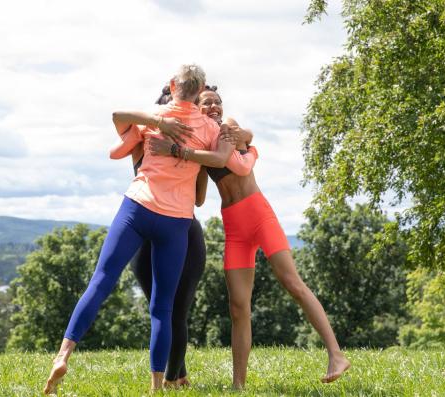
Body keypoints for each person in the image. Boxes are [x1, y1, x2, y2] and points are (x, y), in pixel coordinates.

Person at [43, 64, 235, 394]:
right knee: (162, 308)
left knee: (101, 281)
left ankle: (63, 355)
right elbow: (220, 160)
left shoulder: (155, 115)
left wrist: (157, 122)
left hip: (138, 207)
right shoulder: (208, 127)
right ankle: (157, 387)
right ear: (201, 88)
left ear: (173, 85)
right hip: (176, 221)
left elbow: (117, 117)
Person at [147, 86, 351, 388]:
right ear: (194, 107)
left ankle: (336, 354)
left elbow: (240, 145)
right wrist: (181, 173)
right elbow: (201, 197)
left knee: (292, 283)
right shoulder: (203, 141)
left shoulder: (228, 129)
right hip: (233, 226)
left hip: (258, 215)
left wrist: (194, 151)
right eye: (206, 103)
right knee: (238, 307)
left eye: (217, 101)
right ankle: (238, 385)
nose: (214, 106)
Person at [107, 86, 209, 388]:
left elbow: (200, 199)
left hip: (182, 231)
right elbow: (119, 126)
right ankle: (178, 375)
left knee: (177, 310)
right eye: (166, 109)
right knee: (159, 309)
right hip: (144, 232)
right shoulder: (142, 140)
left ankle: (171, 378)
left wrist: (189, 159)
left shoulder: (194, 146)